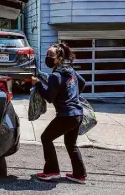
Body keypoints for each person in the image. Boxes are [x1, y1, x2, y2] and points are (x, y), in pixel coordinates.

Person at [35, 42, 87, 184]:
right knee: (71, 144)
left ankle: (52, 171)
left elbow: (49, 97)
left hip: (66, 116)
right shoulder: (70, 71)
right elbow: (82, 83)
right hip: (77, 114)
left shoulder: (55, 76)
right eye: (47, 54)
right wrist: (73, 97)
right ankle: (79, 175)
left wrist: (38, 84)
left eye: (51, 55)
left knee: (46, 138)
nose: (48, 57)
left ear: (59, 58)